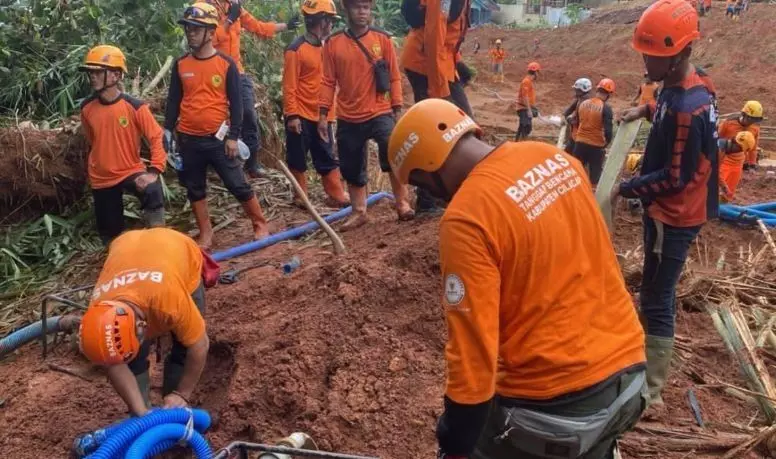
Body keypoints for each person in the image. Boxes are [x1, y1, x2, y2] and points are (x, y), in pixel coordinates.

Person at [388, 99, 646, 459]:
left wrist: (456, 442)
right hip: (630, 380)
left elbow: (473, 353)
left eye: (422, 184)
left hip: (555, 411)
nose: (431, 194)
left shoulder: (466, 219)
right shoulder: (558, 160)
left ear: (428, 167)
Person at [612, 0, 717, 410]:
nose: (644, 61)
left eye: (651, 55)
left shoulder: (690, 111)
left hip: (675, 215)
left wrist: (626, 188)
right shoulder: (689, 85)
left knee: (657, 297)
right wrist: (644, 108)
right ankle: (641, 363)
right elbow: (668, 107)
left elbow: (675, 180)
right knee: (654, 291)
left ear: (677, 56)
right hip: (670, 209)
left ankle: (651, 392)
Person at [70, 228, 209, 416]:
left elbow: (199, 345)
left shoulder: (168, 302)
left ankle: (176, 407)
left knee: (183, 347)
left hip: (177, 247)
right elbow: (113, 362)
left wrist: (182, 394)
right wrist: (140, 412)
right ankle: (143, 406)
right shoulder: (99, 311)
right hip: (126, 243)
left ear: (142, 328)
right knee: (130, 359)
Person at [164, 2, 270, 250]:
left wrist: (233, 136)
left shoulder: (226, 64)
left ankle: (260, 223)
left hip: (218, 139)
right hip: (189, 139)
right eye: (188, 28)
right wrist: (168, 130)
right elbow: (173, 101)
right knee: (195, 187)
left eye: (196, 28)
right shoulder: (181, 65)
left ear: (211, 32)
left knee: (237, 183)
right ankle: (206, 234)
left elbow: (236, 105)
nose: (190, 32)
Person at [319, 0, 414, 229]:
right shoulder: (333, 43)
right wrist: (323, 114)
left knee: (392, 150)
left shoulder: (382, 39)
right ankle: (359, 211)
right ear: (346, 10)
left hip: (380, 110)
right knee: (351, 164)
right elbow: (327, 81)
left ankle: (402, 204)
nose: (362, 12)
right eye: (357, 7)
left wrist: (397, 107)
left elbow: (393, 76)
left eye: (366, 7)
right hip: (348, 114)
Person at [78, 45, 166, 245]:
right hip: (102, 177)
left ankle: (159, 240)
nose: (93, 77)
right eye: (91, 72)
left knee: (152, 190)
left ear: (116, 75)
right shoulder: (87, 108)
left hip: (129, 170)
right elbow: (93, 140)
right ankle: (119, 258)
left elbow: (156, 137)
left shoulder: (134, 106)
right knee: (112, 235)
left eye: (99, 72)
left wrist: (154, 170)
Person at [207, 0, 301, 179]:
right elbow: (208, 39)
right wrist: (228, 21)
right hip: (214, 72)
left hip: (237, 71)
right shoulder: (205, 7)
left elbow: (258, 27)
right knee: (217, 118)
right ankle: (216, 165)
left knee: (249, 114)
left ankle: (252, 164)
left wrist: (286, 25)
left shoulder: (234, 7)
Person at [399, 0, 474, 214]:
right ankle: (427, 200)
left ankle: (447, 194)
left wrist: (457, 62)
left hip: (443, 64)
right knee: (436, 129)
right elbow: (433, 38)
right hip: (425, 67)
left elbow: (449, 35)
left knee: (465, 124)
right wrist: (437, 90)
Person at [283, 0, 349, 208]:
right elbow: (289, 86)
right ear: (320, 21)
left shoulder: (327, 47)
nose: (331, 26)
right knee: (298, 157)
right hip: (301, 114)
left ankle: (336, 194)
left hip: (323, 114)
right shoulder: (296, 50)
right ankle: (300, 197)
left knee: (326, 154)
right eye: (329, 21)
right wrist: (292, 115)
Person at [573, 78, 615, 187]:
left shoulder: (582, 103)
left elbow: (576, 123)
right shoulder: (606, 108)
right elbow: (608, 131)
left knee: (576, 173)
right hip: (596, 146)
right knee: (595, 177)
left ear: (597, 90)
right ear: (608, 94)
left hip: (579, 143)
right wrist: (606, 143)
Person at [718, 101, 763, 170]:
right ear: (743, 114)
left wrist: (752, 164)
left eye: (755, 120)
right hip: (725, 162)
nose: (752, 122)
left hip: (742, 164)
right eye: (751, 119)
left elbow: (753, 148)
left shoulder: (755, 128)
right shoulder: (728, 123)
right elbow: (717, 140)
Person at [719, 131, 756, 202]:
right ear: (737, 144)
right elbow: (715, 172)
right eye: (740, 149)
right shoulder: (720, 150)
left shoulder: (722, 146)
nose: (738, 152)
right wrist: (724, 187)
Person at [562, 77, 592, 155]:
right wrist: (565, 115)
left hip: (580, 137)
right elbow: (569, 109)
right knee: (567, 154)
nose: (575, 91)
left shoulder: (585, 103)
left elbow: (580, 121)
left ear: (582, 90)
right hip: (576, 136)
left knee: (573, 157)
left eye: (577, 90)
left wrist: (569, 119)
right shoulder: (580, 99)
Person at [515, 62, 540, 141]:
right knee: (526, 128)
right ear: (535, 72)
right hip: (524, 108)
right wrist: (529, 110)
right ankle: (522, 145)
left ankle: (517, 144)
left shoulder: (529, 81)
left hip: (525, 108)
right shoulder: (526, 81)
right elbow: (525, 96)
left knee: (522, 128)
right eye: (538, 72)